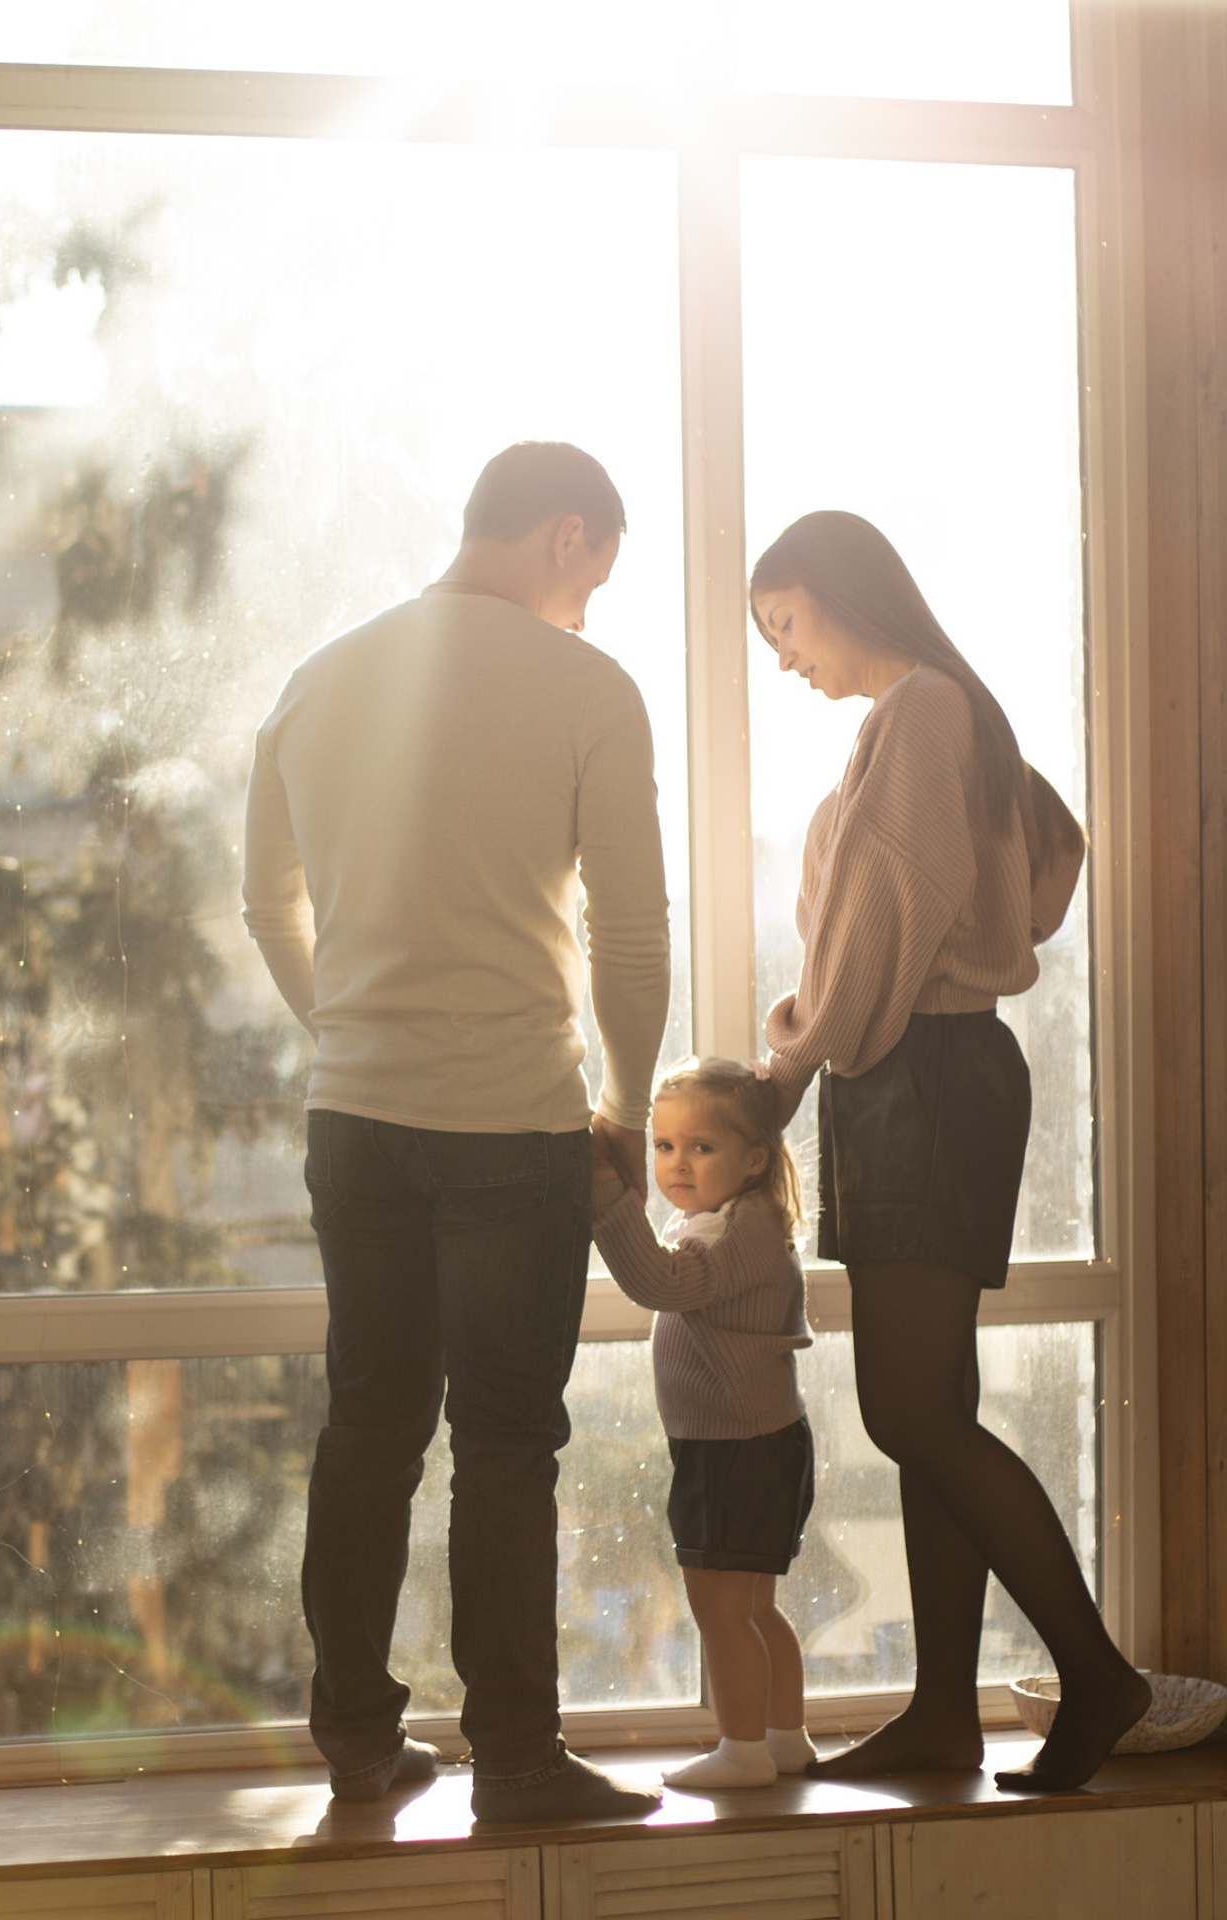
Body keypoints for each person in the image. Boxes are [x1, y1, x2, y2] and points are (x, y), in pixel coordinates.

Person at [243, 442, 670, 1823]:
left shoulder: (319, 682)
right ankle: (519, 1762)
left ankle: (358, 1737)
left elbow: (267, 905)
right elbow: (630, 925)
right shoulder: (586, 689)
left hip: (354, 1116)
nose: (591, 610)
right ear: (564, 534)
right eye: (593, 576)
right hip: (508, 1121)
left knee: (369, 1423)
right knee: (503, 1440)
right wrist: (627, 1102)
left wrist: (346, 1027)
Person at [751, 509, 1144, 1793]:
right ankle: (942, 1713)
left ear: (835, 592)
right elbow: (1046, 861)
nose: (786, 658)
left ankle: (1097, 1678)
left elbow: (878, 924)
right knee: (935, 1415)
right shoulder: (942, 714)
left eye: (786, 625)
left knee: (907, 1410)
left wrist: (786, 1067)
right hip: (930, 1077)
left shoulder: (920, 713)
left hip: (918, 1075)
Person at [591, 1058, 815, 1792]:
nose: (677, 1163)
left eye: (700, 1147)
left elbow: (662, 1282)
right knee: (753, 1608)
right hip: (760, 1441)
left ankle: (743, 1749)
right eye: (663, 1147)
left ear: (753, 1160)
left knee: (720, 1611)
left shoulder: (730, 1233)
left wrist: (607, 1202)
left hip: (733, 1450)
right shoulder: (738, 1221)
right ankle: (784, 1740)